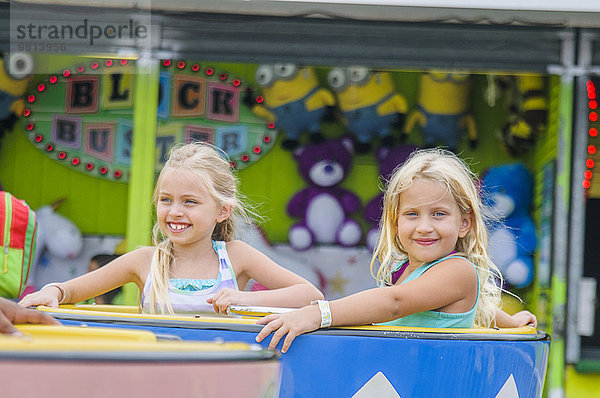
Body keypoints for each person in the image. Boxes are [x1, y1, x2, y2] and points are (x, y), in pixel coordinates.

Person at [256, 148, 536, 353]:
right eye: (412, 214)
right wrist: (511, 322)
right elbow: (475, 308)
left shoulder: (458, 270)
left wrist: (318, 314)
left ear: (464, 223)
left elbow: (395, 303)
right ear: (395, 222)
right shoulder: (407, 271)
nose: (424, 227)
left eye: (439, 214)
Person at [19, 142, 323, 314]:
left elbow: (310, 295)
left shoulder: (237, 256)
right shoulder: (145, 261)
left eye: (190, 202)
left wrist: (246, 299)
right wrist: (53, 291)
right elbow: (70, 290)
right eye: (166, 200)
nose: (175, 211)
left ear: (222, 210)